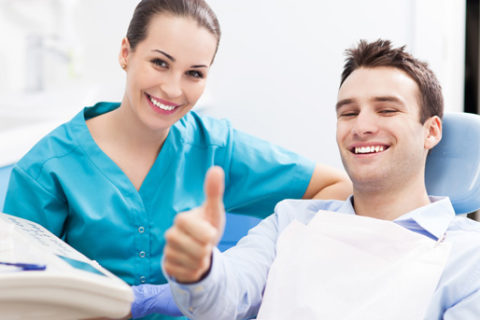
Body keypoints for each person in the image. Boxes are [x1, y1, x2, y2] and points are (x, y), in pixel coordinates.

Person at [2, 1, 351, 319]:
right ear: (126, 53)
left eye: (194, 73)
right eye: (159, 63)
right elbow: (16, 296)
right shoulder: (46, 167)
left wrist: (247, 266)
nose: (173, 89)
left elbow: (336, 186)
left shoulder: (215, 147)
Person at [163, 39, 480, 319]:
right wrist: (199, 269)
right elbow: (226, 298)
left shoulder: (469, 258)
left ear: (431, 131)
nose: (362, 126)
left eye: (386, 110)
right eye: (348, 113)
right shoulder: (289, 221)